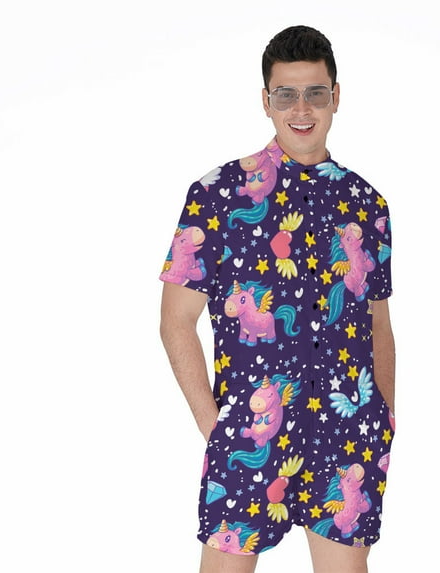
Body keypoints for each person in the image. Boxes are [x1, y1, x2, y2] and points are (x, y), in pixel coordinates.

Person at [159, 25, 396, 573]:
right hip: (252, 426)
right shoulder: (217, 194)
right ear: (266, 101)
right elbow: (176, 321)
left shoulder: (368, 205)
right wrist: (216, 426)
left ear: (336, 96)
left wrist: (384, 413)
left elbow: (378, 322)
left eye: (315, 92)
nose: (301, 108)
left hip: (348, 431)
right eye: (286, 94)